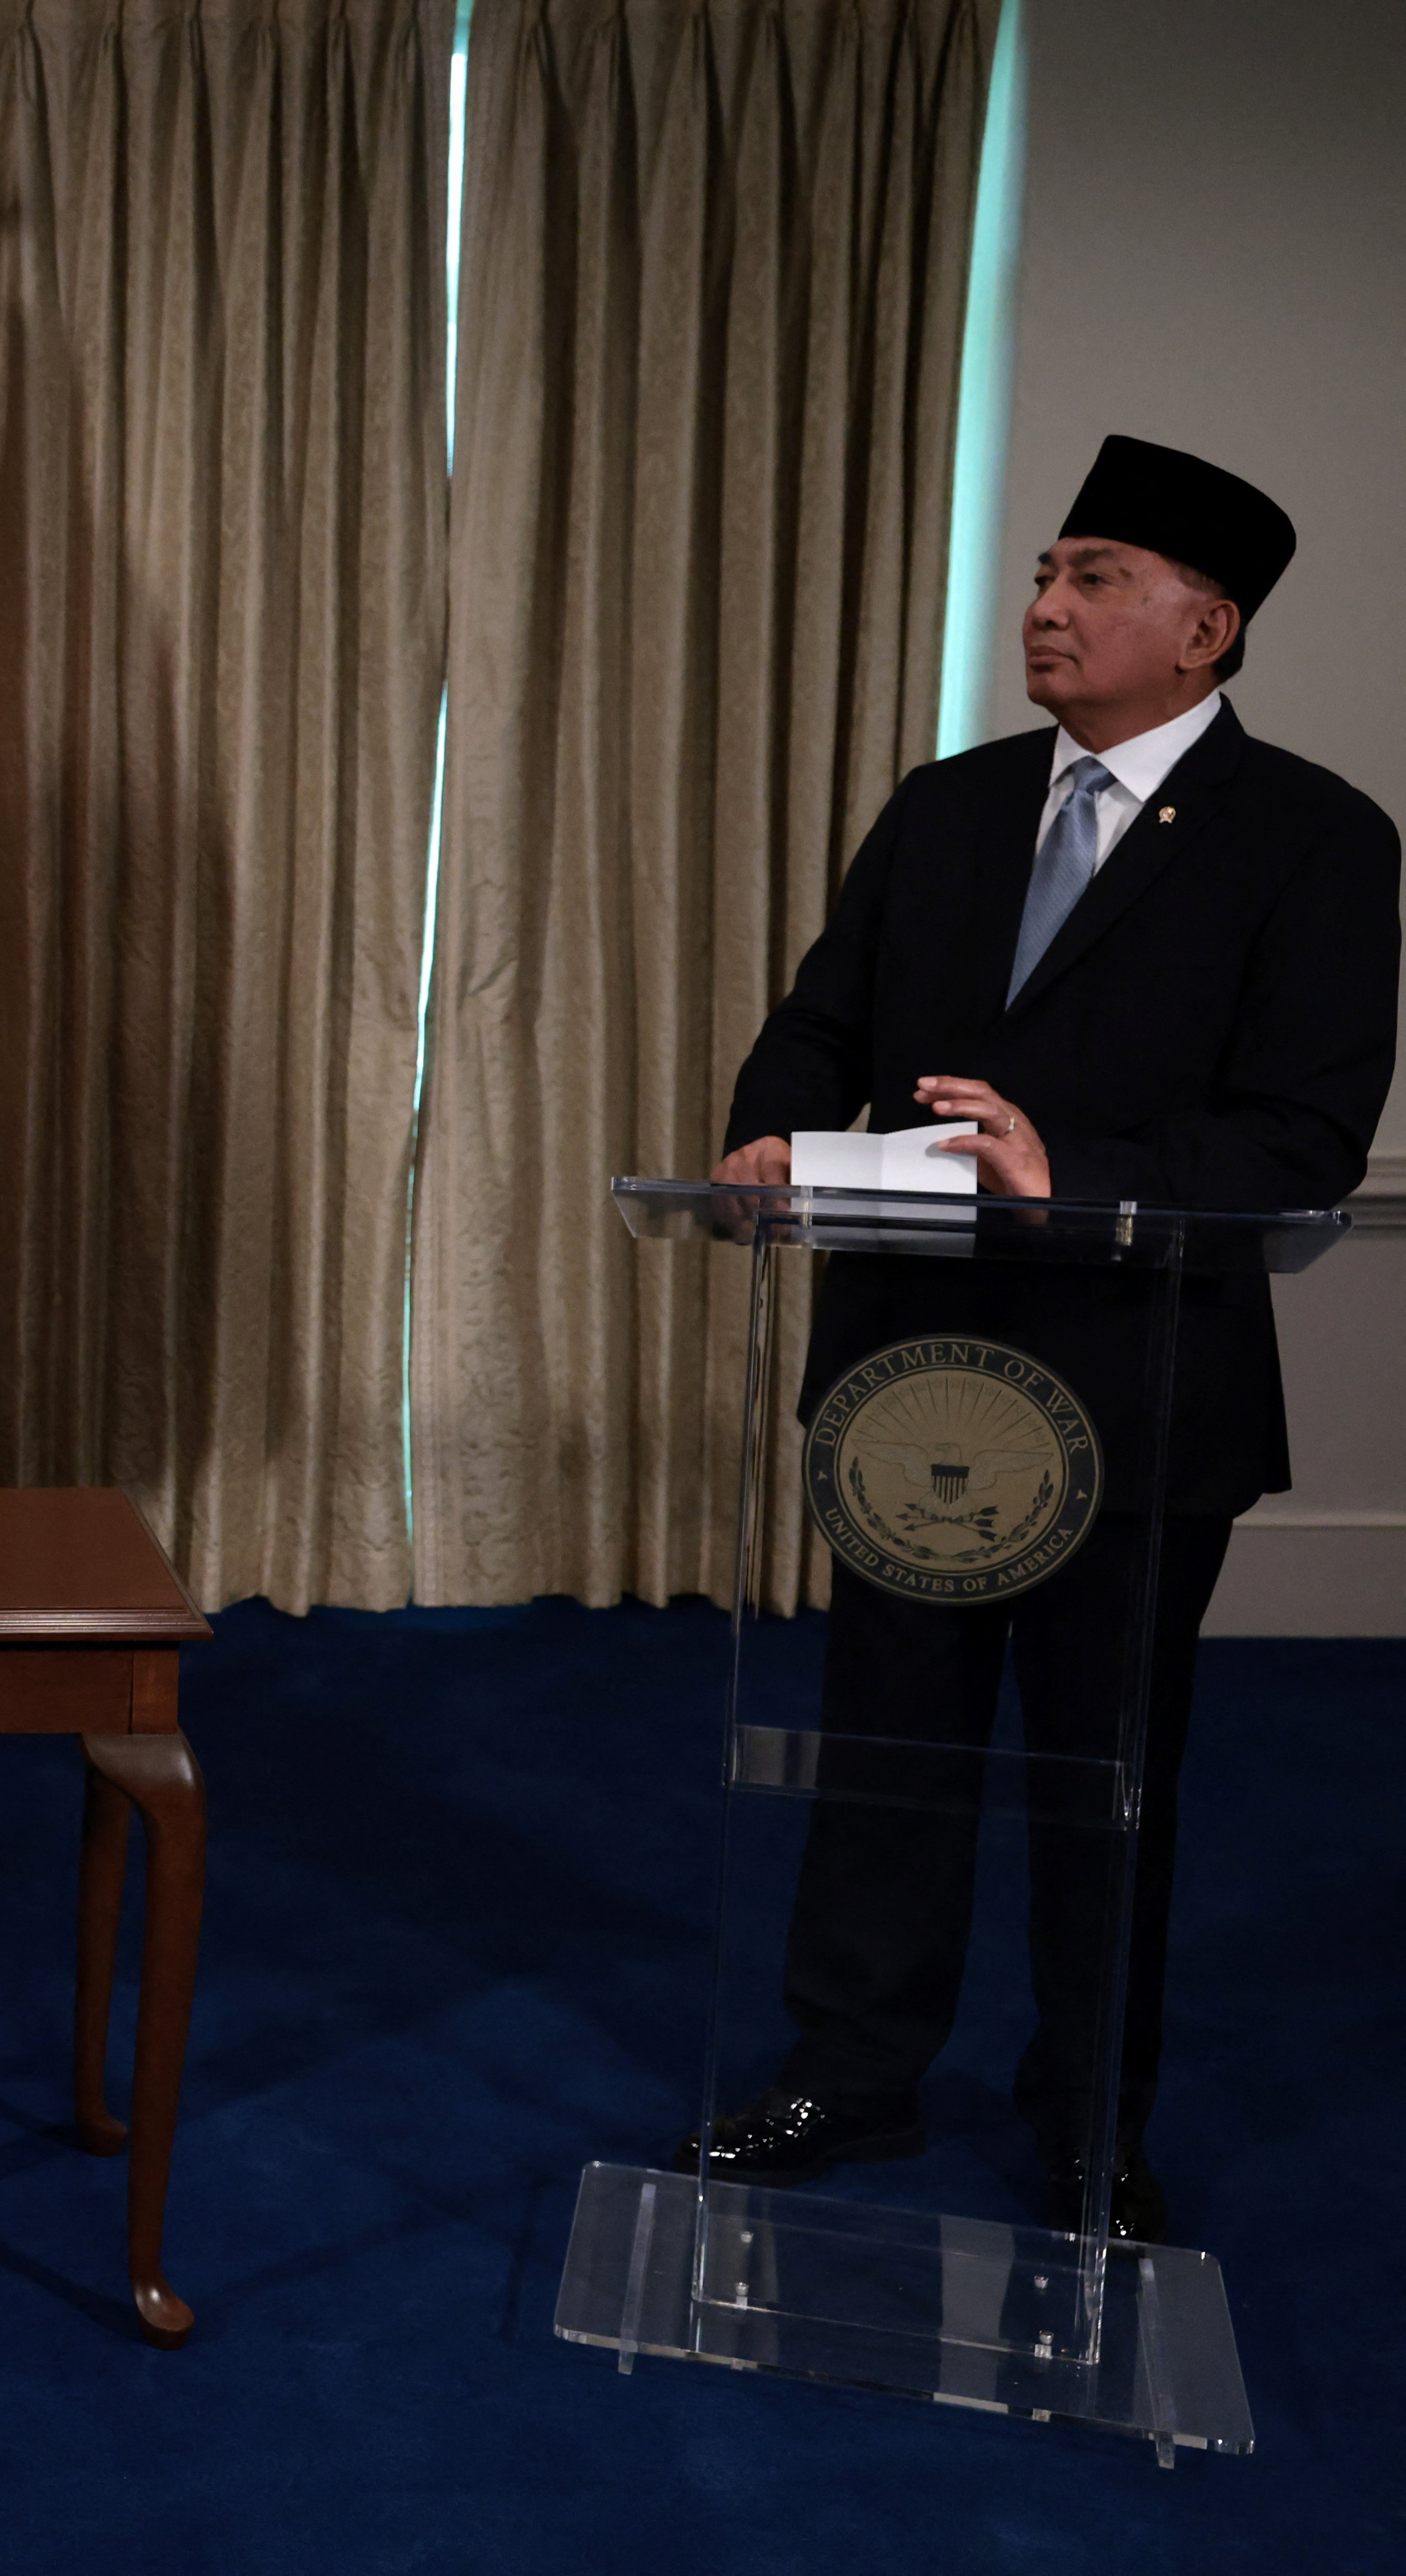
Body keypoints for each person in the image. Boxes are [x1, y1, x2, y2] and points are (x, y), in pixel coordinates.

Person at [695, 437, 1398, 2239]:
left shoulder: (1316, 836)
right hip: (911, 1373)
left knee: (1107, 1779)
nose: (1045, 606)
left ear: (1207, 628)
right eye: (1043, 573)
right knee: (888, 1750)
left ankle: (1090, 2119)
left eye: (1094, 578)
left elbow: (1306, 1139)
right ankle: (849, 2072)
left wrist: (1065, 1172)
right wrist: (769, 1136)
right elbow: (820, 1022)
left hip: (1136, 1394)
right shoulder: (949, 804)